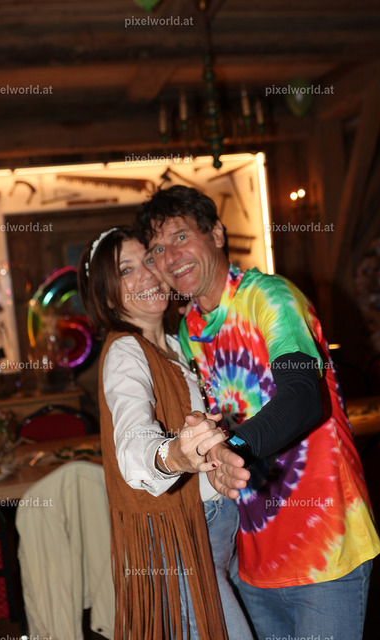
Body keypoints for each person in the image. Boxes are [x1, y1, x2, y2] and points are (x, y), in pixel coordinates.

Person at [136, 185, 380, 640]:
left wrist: (233, 446)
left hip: (325, 550)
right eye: (156, 248)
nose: (169, 257)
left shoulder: (271, 297)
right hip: (252, 562)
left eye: (180, 237)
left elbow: (304, 396)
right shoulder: (189, 330)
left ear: (216, 234)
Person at [78, 226, 253, 640]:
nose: (148, 274)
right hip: (182, 539)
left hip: (219, 526)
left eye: (148, 260)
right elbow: (132, 437)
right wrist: (173, 455)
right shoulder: (126, 352)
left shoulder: (180, 343)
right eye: (126, 270)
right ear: (107, 296)